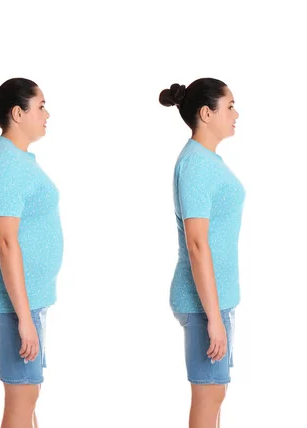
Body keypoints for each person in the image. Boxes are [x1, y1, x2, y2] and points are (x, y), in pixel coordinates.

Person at [0, 78, 64, 428]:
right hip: (16, 301)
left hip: (28, 297)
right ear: (17, 113)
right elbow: (6, 241)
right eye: (40, 106)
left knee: (28, 397)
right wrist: (23, 317)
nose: (47, 114)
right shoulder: (6, 163)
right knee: (22, 398)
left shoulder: (17, 159)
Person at [160, 78, 244, 428]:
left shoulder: (206, 161)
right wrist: (212, 318)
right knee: (208, 395)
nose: (236, 114)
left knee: (215, 393)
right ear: (206, 113)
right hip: (203, 303)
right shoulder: (196, 164)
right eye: (230, 106)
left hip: (215, 298)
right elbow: (197, 243)